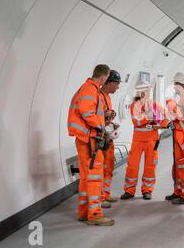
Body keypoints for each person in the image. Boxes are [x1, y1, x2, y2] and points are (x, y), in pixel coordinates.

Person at [67, 64, 114, 226]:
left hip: (85, 138)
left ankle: (84, 212)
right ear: (103, 77)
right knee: (94, 177)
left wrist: (104, 117)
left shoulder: (88, 88)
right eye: (106, 78)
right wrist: (102, 126)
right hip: (89, 139)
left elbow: (89, 111)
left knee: (87, 177)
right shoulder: (90, 89)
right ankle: (94, 214)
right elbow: (87, 112)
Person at [121, 81, 168, 200]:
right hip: (138, 140)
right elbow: (136, 121)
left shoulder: (155, 104)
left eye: (147, 90)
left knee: (150, 166)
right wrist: (149, 117)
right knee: (132, 166)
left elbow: (165, 118)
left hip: (152, 140)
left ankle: (147, 190)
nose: (145, 93)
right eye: (143, 90)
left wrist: (160, 125)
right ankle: (129, 191)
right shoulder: (134, 105)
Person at [164, 72, 184, 205]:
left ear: (179, 84)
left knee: (183, 166)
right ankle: (178, 191)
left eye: (175, 84)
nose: (174, 87)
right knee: (177, 165)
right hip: (179, 135)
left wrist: (174, 110)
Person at [99, 70, 122, 209]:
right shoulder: (98, 96)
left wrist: (111, 121)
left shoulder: (107, 97)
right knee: (100, 170)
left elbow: (105, 117)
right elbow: (94, 117)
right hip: (100, 139)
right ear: (110, 82)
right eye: (117, 84)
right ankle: (100, 197)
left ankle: (105, 193)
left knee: (108, 168)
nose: (117, 87)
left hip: (108, 138)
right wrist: (105, 115)